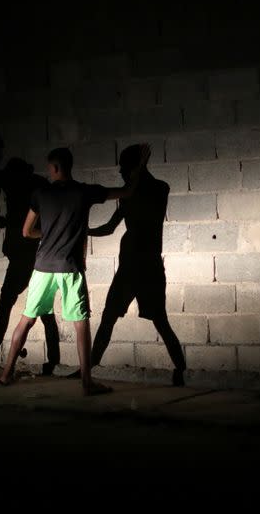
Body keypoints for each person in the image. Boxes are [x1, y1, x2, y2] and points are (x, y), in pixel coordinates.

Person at [0, 146, 148, 395]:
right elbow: (128, 191)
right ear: (69, 165)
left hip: (43, 267)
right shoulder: (84, 192)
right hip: (70, 268)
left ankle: (5, 375)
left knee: (26, 320)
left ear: (55, 168)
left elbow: (26, 231)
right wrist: (139, 167)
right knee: (80, 324)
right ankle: (87, 382)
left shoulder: (40, 193)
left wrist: (46, 233)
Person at [82, 144, 186, 386]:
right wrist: (84, 231)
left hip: (146, 267)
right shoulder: (130, 195)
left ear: (133, 167)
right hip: (129, 268)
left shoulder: (159, 189)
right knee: (109, 317)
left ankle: (181, 369)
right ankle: (88, 370)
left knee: (160, 320)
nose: (119, 172)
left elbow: (145, 200)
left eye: (122, 167)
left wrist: (138, 171)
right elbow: (109, 227)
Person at [0, 158, 60, 376]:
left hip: (26, 255)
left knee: (9, 302)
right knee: (44, 309)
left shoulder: (21, 187)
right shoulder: (35, 185)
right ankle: (54, 359)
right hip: (32, 253)